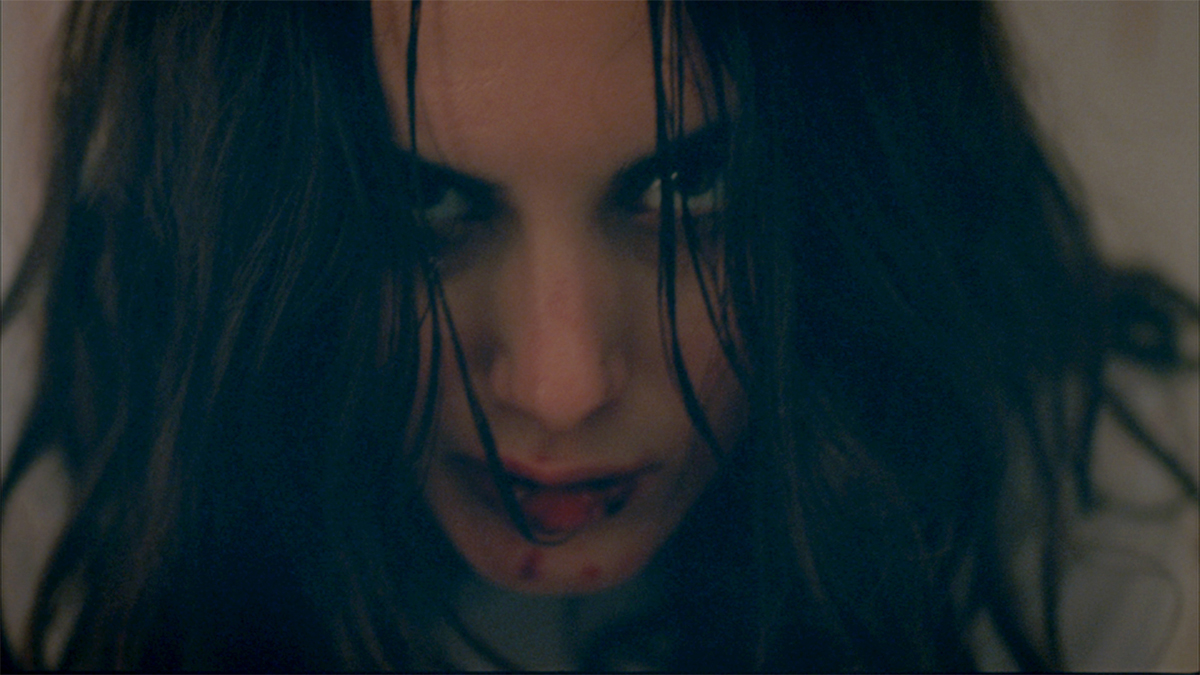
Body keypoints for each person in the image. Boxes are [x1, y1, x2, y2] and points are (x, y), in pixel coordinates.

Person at [1, 1, 1196, 671]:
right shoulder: (87, 526)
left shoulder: (1107, 537)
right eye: (423, 204)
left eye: (691, 189)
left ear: (854, 188)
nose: (562, 386)